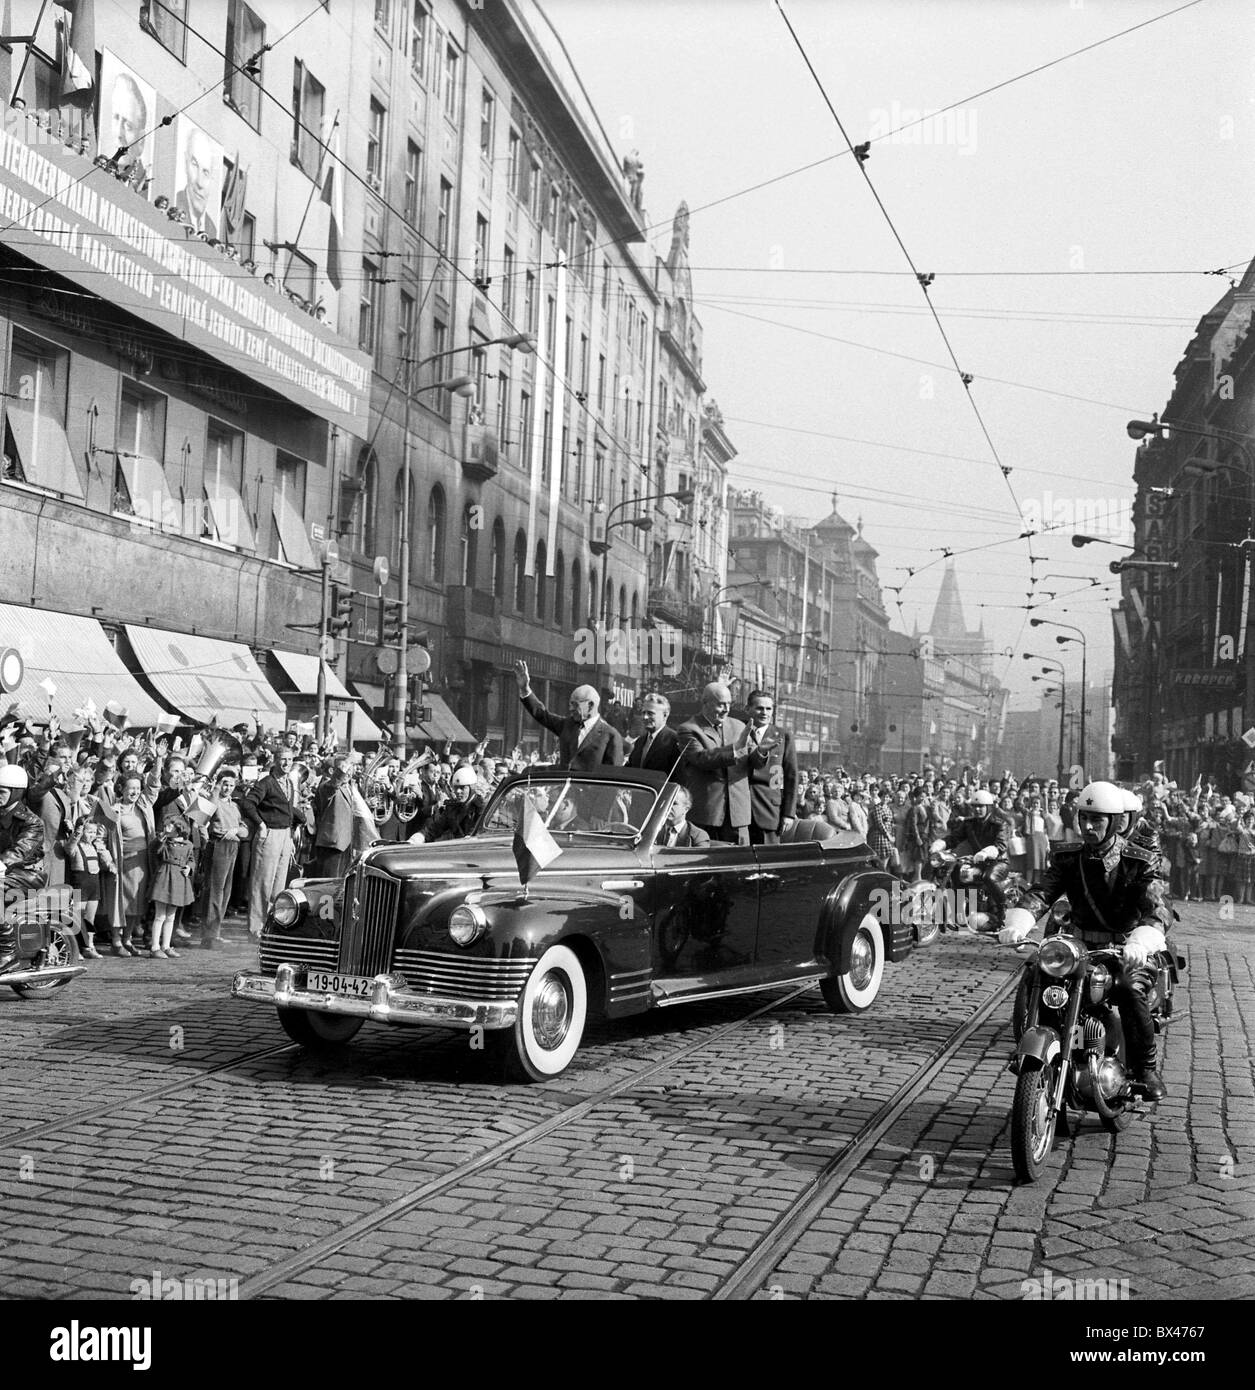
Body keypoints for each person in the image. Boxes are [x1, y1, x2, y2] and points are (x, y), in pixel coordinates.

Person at [1000, 780, 1172, 1100]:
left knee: (1128, 987)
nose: (1089, 827)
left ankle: (1145, 1068)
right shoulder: (1068, 857)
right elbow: (1043, 892)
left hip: (1125, 947)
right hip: (1080, 947)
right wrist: (1020, 920)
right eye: (1085, 819)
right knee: (1041, 973)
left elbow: (1158, 910)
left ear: (1114, 822)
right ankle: (1034, 1050)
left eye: (1098, 820)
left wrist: (1139, 942)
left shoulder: (1140, 860)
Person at [677, 682, 759, 845]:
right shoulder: (689, 729)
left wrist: (762, 752)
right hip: (707, 814)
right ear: (705, 703)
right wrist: (735, 750)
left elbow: (753, 760)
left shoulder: (739, 726)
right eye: (721, 704)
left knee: (740, 863)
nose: (726, 709)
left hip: (738, 815)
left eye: (729, 704)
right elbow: (702, 759)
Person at [513, 660, 623, 769]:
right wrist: (525, 689)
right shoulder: (567, 725)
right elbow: (542, 714)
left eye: (575, 705)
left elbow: (612, 778)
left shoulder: (611, 736)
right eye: (570, 704)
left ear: (590, 705)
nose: (570, 709)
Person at [240, 748, 302, 937]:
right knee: (262, 882)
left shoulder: (290, 782)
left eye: (290, 760)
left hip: (284, 835)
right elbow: (248, 803)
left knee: (279, 884)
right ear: (275, 761)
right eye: (283, 759)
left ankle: (272, 922)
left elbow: (289, 810)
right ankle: (256, 926)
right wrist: (261, 825)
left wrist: (291, 834)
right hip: (270, 834)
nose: (286, 763)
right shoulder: (266, 782)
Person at [95, 773, 156, 957]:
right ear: (121, 788)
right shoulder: (112, 810)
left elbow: (154, 787)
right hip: (121, 863)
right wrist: (108, 861)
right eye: (131, 788)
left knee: (136, 904)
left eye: (138, 788)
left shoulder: (144, 806)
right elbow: (99, 839)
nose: (135, 792)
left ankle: (127, 939)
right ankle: (115, 940)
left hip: (142, 863)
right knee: (120, 904)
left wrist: (159, 760)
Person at [0, 764, 48, 973]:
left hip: (28, 874)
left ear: (16, 792)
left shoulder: (32, 822)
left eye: (2, 792)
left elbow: (22, 850)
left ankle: (7, 950)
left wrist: (2, 863)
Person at [940, 788, 1010, 929]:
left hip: (998, 862)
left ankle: (1003, 910)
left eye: (981, 806)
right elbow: (955, 837)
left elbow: (1001, 844)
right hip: (978, 861)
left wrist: (988, 851)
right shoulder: (969, 823)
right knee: (956, 871)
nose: (978, 809)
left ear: (988, 807)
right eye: (975, 806)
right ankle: (959, 912)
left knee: (988, 877)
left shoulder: (999, 824)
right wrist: (941, 843)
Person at [198, 767, 248, 948]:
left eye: (231, 785)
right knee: (214, 890)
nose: (228, 788)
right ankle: (208, 935)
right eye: (224, 784)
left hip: (233, 846)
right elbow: (204, 817)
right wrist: (216, 789)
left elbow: (244, 829)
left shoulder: (234, 805)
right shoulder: (213, 801)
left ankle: (216, 932)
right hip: (218, 845)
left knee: (225, 891)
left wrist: (235, 831)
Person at [742, 690, 797, 845]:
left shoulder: (783, 735)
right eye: (759, 708)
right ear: (748, 709)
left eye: (768, 709)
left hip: (769, 810)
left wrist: (789, 814)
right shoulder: (740, 731)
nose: (764, 713)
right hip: (739, 809)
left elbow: (791, 776)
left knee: (767, 858)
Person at [149, 805, 196, 958]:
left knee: (171, 916)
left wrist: (189, 867)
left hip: (179, 880)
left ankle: (166, 945)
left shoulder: (188, 844)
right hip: (164, 877)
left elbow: (191, 860)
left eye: (169, 825)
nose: (166, 827)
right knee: (160, 915)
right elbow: (154, 849)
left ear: (178, 827)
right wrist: (161, 837)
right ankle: (155, 947)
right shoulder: (164, 842)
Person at [409, 764, 483, 842]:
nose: (458, 791)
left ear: (472, 788)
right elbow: (435, 827)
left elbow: (482, 831)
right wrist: (419, 837)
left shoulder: (482, 808)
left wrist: (471, 838)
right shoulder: (452, 807)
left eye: (462, 788)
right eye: (456, 787)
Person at [175, 125, 218, 237]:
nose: (199, 182)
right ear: (185, 163)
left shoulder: (212, 229)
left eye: (206, 172)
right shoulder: (174, 203)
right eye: (194, 165)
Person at [625, 692, 682, 775]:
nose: (645, 717)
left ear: (665, 715)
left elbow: (678, 778)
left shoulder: (675, 741)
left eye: (650, 713)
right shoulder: (639, 742)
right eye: (643, 713)